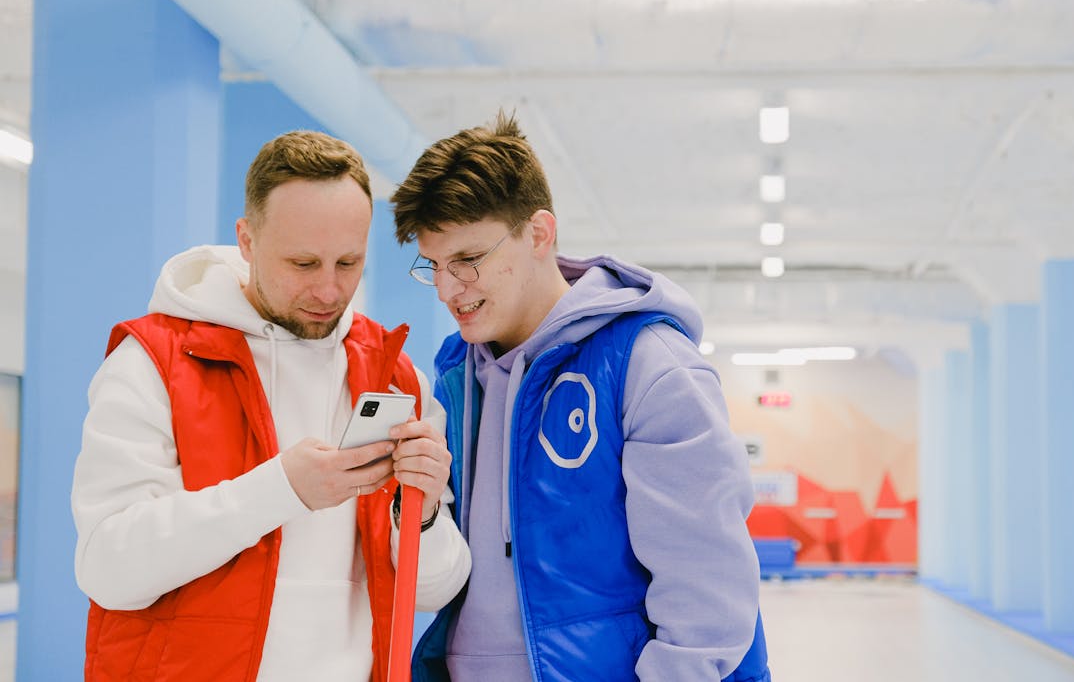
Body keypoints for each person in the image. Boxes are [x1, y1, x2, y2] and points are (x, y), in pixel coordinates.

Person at [71, 130, 471, 682]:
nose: (330, 291)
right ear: (247, 240)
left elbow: (435, 588)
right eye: (303, 264)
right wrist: (280, 489)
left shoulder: (395, 376)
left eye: (348, 263)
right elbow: (107, 566)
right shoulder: (153, 363)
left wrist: (420, 513)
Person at [390, 112, 771, 681]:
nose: (448, 289)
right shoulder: (453, 376)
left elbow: (707, 592)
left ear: (539, 234)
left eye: (468, 260)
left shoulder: (647, 365)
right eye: (435, 266)